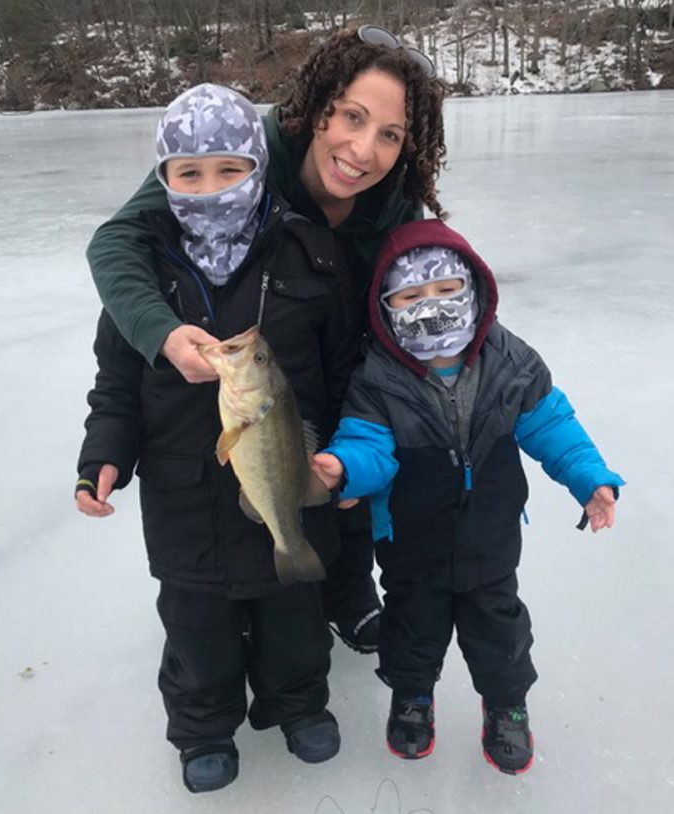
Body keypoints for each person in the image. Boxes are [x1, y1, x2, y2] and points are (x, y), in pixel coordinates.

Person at [84, 25, 448, 653]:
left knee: (354, 444)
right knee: (269, 465)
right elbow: (117, 242)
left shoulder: (394, 205)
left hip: (338, 340)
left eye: (389, 135)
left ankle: (347, 589)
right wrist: (163, 335)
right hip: (262, 337)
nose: (362, 150)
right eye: (351, 118)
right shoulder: (247, 152)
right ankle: (246, 592)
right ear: (317, 109)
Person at [75, 83, 359, 794]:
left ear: (259, 167)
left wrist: (345, 459)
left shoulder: (308, 254)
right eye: (189, 173)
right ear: (162, 179)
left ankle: (298, 703)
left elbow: (344, 375)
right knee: (195, 625)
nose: (210, 188)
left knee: (294, 616)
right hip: (181, 497)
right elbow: (115, 385)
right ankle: (203, 726)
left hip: (287, 472)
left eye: (230, 169)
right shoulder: (141, 272)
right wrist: (102, 458)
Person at [311, 218, 624, 775]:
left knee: (498, 629)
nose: (429, 305)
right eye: (409, 295)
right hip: (410, 541)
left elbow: (553, 426)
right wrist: (342, 469)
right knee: (410, 627)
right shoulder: (377, 377)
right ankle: (412, 698)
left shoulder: (511, 361)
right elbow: (368, 445)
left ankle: (506, 705)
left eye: (446, 290)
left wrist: (589, 477)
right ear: (385, 308)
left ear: (474, 290)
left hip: (490, 539)